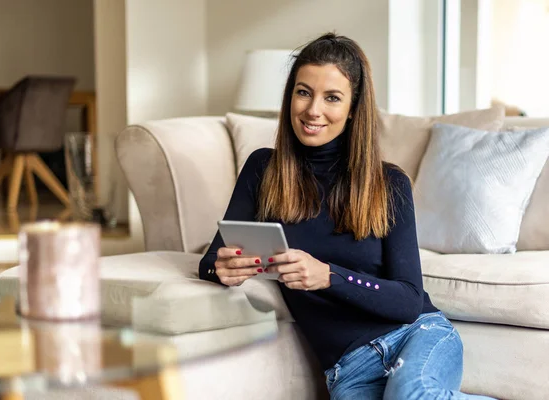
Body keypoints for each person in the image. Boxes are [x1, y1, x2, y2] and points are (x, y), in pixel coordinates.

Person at [198, 33, 495, 400]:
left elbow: (407, 300)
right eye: (303, 92)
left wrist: (328, 276)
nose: (312, 110)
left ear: (353, 108)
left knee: (410, 396)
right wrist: (222, 270)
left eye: (332, 98)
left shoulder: (389, 182)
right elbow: (212, 260)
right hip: (349, 368)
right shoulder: (264, 169)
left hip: (416, 336)